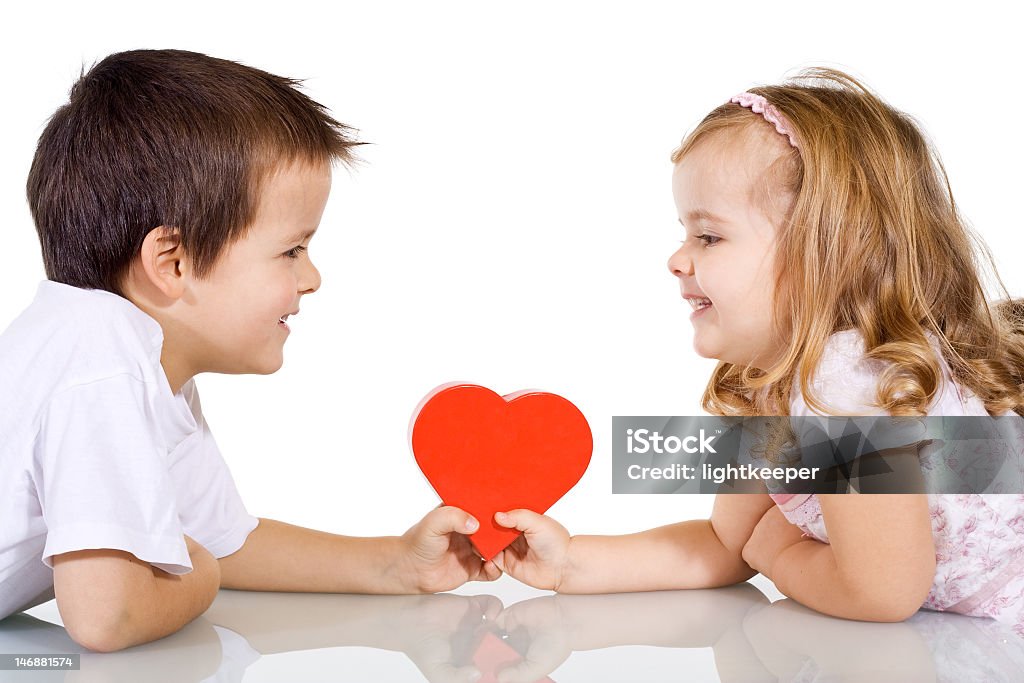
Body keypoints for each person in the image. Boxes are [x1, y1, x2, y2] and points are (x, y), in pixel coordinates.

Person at [0, 49, 500, 652]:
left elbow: (222, 539)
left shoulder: (142, 364)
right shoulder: (97, 355)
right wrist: (200, 579)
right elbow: (108, 617)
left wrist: (396, 565)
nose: (312, 278)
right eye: (292, 250)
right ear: (173, 262)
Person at [492, 68, 1024, 630]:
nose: (676, 259)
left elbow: (881, 593)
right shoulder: (780, 381)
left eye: (709, 236)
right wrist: (570, 562)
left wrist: (779, 555)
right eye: (684, 233)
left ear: (828, 254)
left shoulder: (846, 382)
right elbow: (728, 541)